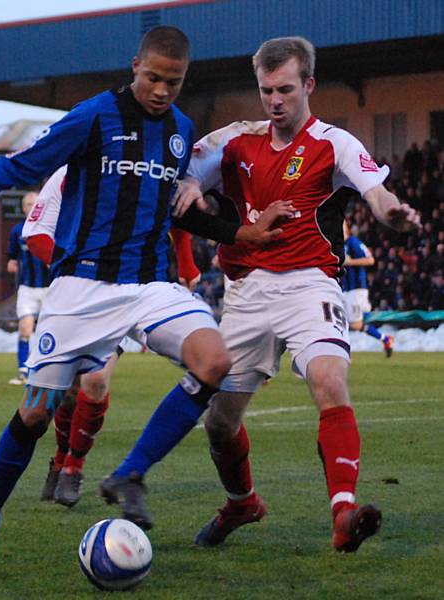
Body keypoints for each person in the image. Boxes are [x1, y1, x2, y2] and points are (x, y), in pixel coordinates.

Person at [0, 26, 285, 573]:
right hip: (80, 289)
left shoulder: (180, 132)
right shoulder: (94, 116)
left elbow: (181, 211)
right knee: (34, 414)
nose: (161, 90)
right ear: (135, 67)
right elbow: (27, 166)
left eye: (172, 82)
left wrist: (244, 234)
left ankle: (129, 473)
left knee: (215, 359)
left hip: (149, 285)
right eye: (152, 78)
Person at [174, 36, 420, 553]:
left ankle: (344, 512)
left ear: (308, 84)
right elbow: (187, 177)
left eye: (285, 89)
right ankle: (242, 503)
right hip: (245, 292)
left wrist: (391, 211)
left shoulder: (335, 143)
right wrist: (191, 188)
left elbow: (375, 191)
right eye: (266, 91)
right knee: (219, 424)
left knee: (330, 380)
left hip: (311, 283)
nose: (275, 101)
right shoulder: (235, 140)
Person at [26, 166, 201, 508]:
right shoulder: (67, 175)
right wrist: (74, 267)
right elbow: (36, 235)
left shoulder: (142, 165)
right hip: (76, 295)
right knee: (70, 389)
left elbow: (175, 215)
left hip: (126, 290)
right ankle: (60, 458)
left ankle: (73, 468)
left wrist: (186, 263)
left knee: (94, 381)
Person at [6, 191, 50, 384]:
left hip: (50, 287)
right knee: (25, 329)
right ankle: (23, 371)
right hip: (27, 288)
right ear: (23, 208)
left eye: (35, 203)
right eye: (28, 204)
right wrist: (11, 263)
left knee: (50, 329)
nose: (31, 207)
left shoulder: (50, 227)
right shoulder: (18, 231)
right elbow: (11, 256)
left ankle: (48, 370)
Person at [341, 220, 394, 356]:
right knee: (344, 322)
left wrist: (351, 262)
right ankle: (385, 339)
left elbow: (370, 260)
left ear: (346, 227)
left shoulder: (353, 242)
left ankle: (385, 338)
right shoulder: (339, 245)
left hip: (356, 289)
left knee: (353, 324)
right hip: (345, 289)